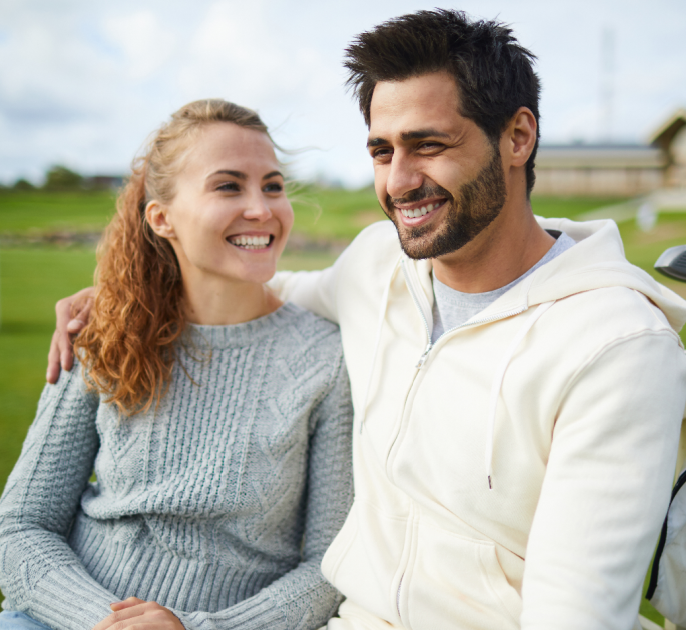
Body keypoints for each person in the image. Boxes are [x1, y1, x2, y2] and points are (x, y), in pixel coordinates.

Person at [48, 11, 686, 630]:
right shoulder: (378, 264)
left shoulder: (617, 345)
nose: (400, 181)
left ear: (517, 137)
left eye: (428, 145)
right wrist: (117, 298)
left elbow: (574, 613)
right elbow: (267, 292)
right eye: (382, 151)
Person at [0, 99, 353, 630]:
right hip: (62, 619)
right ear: (162, 219)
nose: (262, 208)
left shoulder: (325, 359)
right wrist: (104, 622)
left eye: (272, 185)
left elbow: (329, 566)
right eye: (229, 186)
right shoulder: (103, 334)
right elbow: (21, 527)